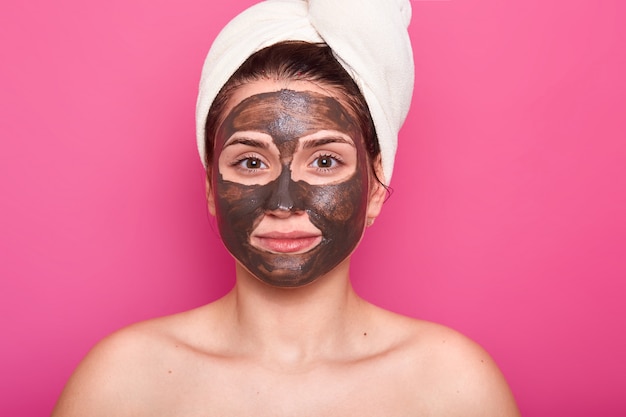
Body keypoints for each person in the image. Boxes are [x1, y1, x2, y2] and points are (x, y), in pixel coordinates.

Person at [52, 1, 520, 416]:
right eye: (251, 162)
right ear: (212, 187)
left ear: (376, 187)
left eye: (325, 160)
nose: (283, 202)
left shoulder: (455, 387)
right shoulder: (121, 384)